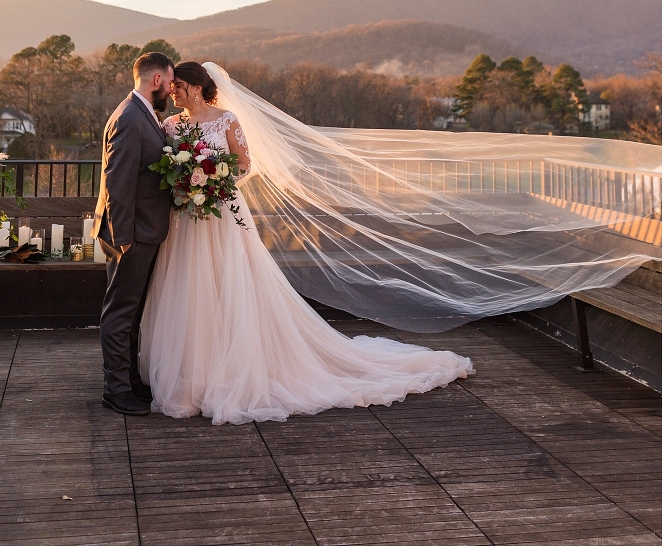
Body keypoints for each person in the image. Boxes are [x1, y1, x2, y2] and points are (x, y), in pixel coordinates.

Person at [137, 60, 473, 425]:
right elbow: (167, 163)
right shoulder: (170, 124)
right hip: (186, 217)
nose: (174, 91)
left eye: (181, 85)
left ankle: (230, 370)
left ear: (199, 87)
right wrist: (187, 179)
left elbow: (245, 164)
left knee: (229, 284)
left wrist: (213, 176)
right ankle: (190, 376)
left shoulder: (226, 119)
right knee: (189, 288)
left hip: (221, 212)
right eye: (174, 86)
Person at [93, 51, 175, 415]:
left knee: (133, 309)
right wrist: (123, 237)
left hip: (142, 229)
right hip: (132, 233)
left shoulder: (142, 114)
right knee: (120, 311)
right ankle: (116, 389)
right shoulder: (129, 117)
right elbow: (117, 182)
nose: (172, 90)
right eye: (171, 83)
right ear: (156, 80)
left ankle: (130, 380)